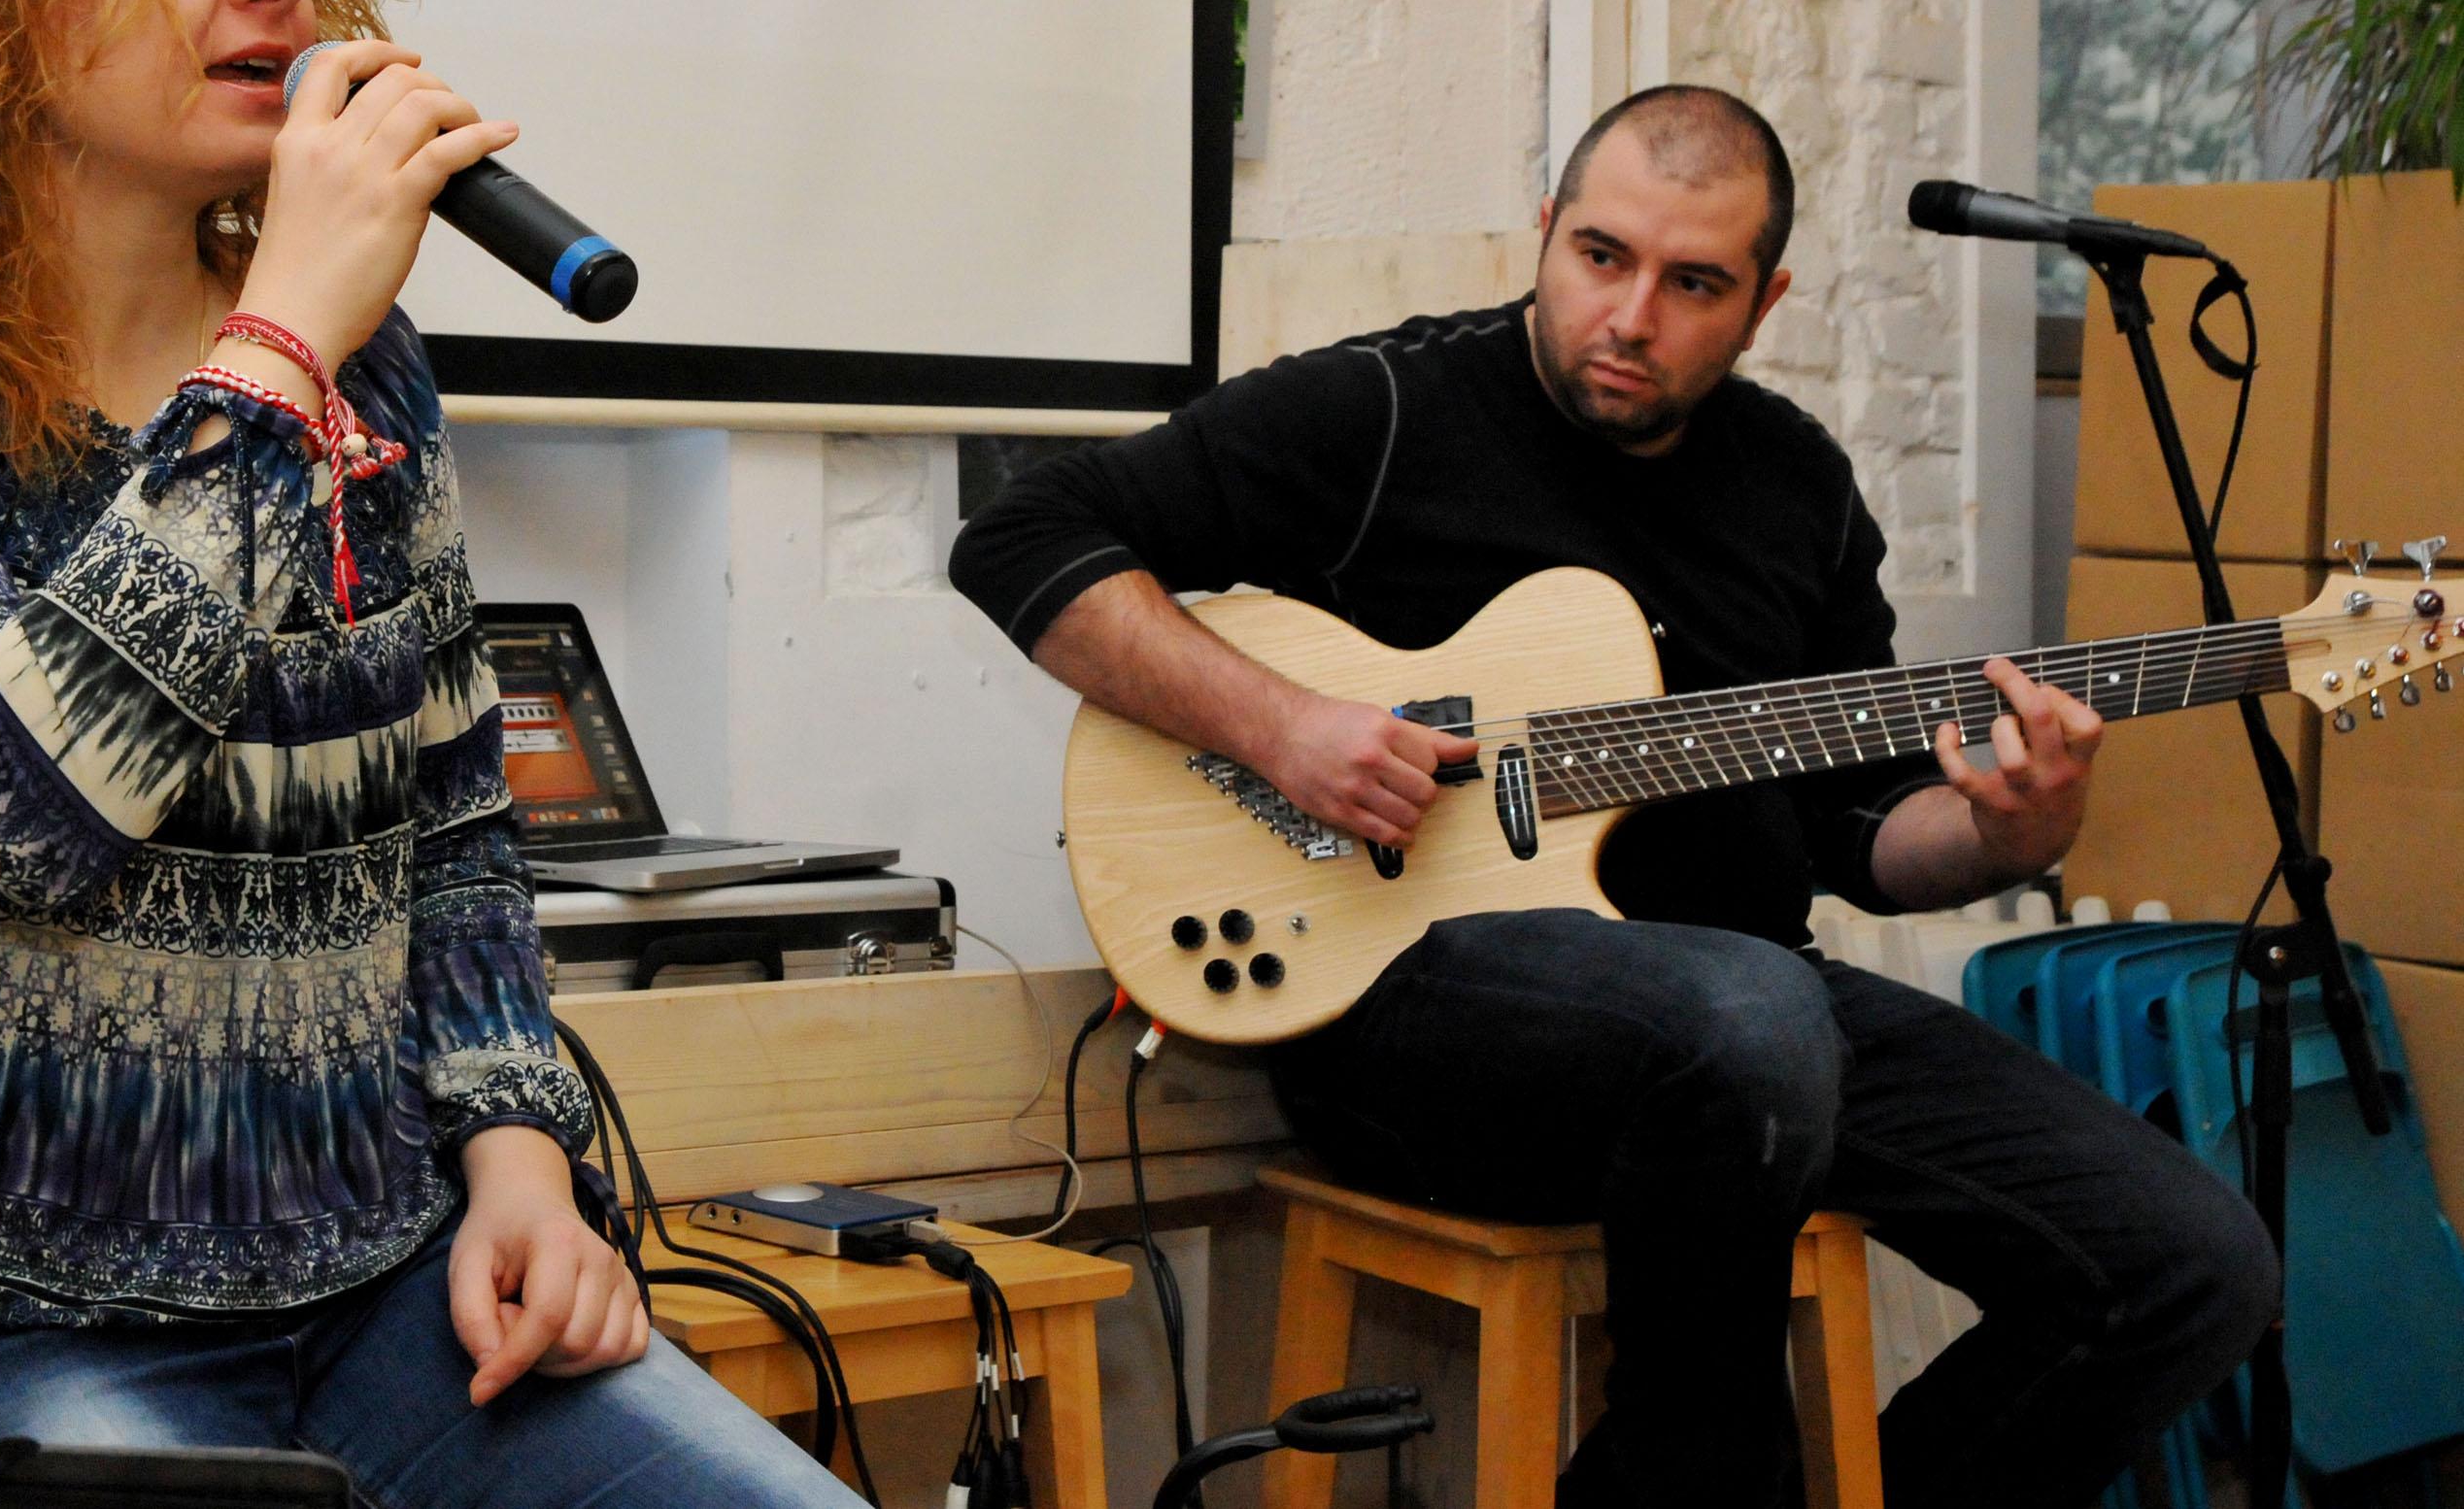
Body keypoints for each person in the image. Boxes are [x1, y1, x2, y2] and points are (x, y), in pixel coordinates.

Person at [0, 0, 859, 1508]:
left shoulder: (362, 374)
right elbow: (12, 811)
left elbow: (452, 827)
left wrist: (521, 1164)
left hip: (376, 1289)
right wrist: (280, 342)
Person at [949, 85, 2279, 1508]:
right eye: (1600, 257)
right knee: (1749, 1017)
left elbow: (1861, 837)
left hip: (1760, 1035)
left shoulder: (1798, 485)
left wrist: (2017, 826)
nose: (1631, 316)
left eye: (1693, 284)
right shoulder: (1386, 412)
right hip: (1414, 1017)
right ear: (1546, 233)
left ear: (1764, 305)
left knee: (2191, 1267)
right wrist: (1283, 731)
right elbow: (1021, 536)